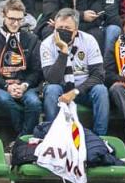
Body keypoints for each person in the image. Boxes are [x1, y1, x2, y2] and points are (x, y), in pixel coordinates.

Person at [41, 8, 110, 137]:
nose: (63, 31)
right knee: (51, 89)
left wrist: (76, 91)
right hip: (61, 89)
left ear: (76, 29)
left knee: (101, 90)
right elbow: (52, 78)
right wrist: (64, 52)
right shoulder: (46, 44)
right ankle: (53, 136)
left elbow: (98, 75)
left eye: (67, 28)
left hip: (83, 90)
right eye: (59, 27)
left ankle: (100, 138)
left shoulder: (89, 40)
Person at [0, 0, 43, 135]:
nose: (16, 24)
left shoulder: (31, 39)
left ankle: (21, 140)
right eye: (12, 19)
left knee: (34, 103)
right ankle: (24, 137)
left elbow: (36, 71)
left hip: (26, 87)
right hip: (1, 87)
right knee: (4, 100)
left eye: (19, 20)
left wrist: (25, 85)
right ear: (3, 16)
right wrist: (7, 86)